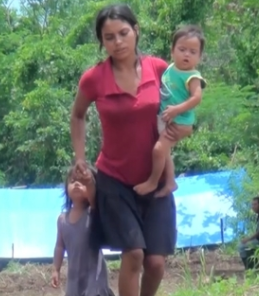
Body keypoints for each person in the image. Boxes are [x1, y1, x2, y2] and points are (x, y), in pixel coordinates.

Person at [70, 4, 177, 296]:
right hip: (114, 180)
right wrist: (80, 157)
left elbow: (179, 107)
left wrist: (177, 132)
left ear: (136, 31)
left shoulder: (158, 68)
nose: (118, 42)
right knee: (134, 254)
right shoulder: (94, 78)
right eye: (109, 37)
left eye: (123, 33)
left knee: (155, 263)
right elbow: (78, 115)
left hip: (156, 178)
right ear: (102, 41)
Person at [134, 25, 206, 196]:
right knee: (164, 151)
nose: (187, 54)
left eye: (193, 51)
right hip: (166, 119)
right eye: (182, 49)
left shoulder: (193, 76)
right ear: (172, 51)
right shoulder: (170, 68)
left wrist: (176, 110)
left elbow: (197, 98)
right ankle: (171, 181)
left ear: (199, 57)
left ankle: (152, 182)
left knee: (159, 150)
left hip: (180, 121)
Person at [50, 166, 114, 296]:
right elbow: (59, 246)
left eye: (83, 182)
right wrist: (55, 269)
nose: (77, 184)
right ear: (66, 188)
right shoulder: (62, 220)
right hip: (74, 277)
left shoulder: (93, 212)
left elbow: (94, 198)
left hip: (94, 276)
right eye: (73, 181)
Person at [238, 196, 259, 262]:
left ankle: (250, 267)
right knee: (245, 244)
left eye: (255, 204)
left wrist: (248, 239)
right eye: (252, 204)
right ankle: (252, 266)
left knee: (241, 246)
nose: (253, 206)